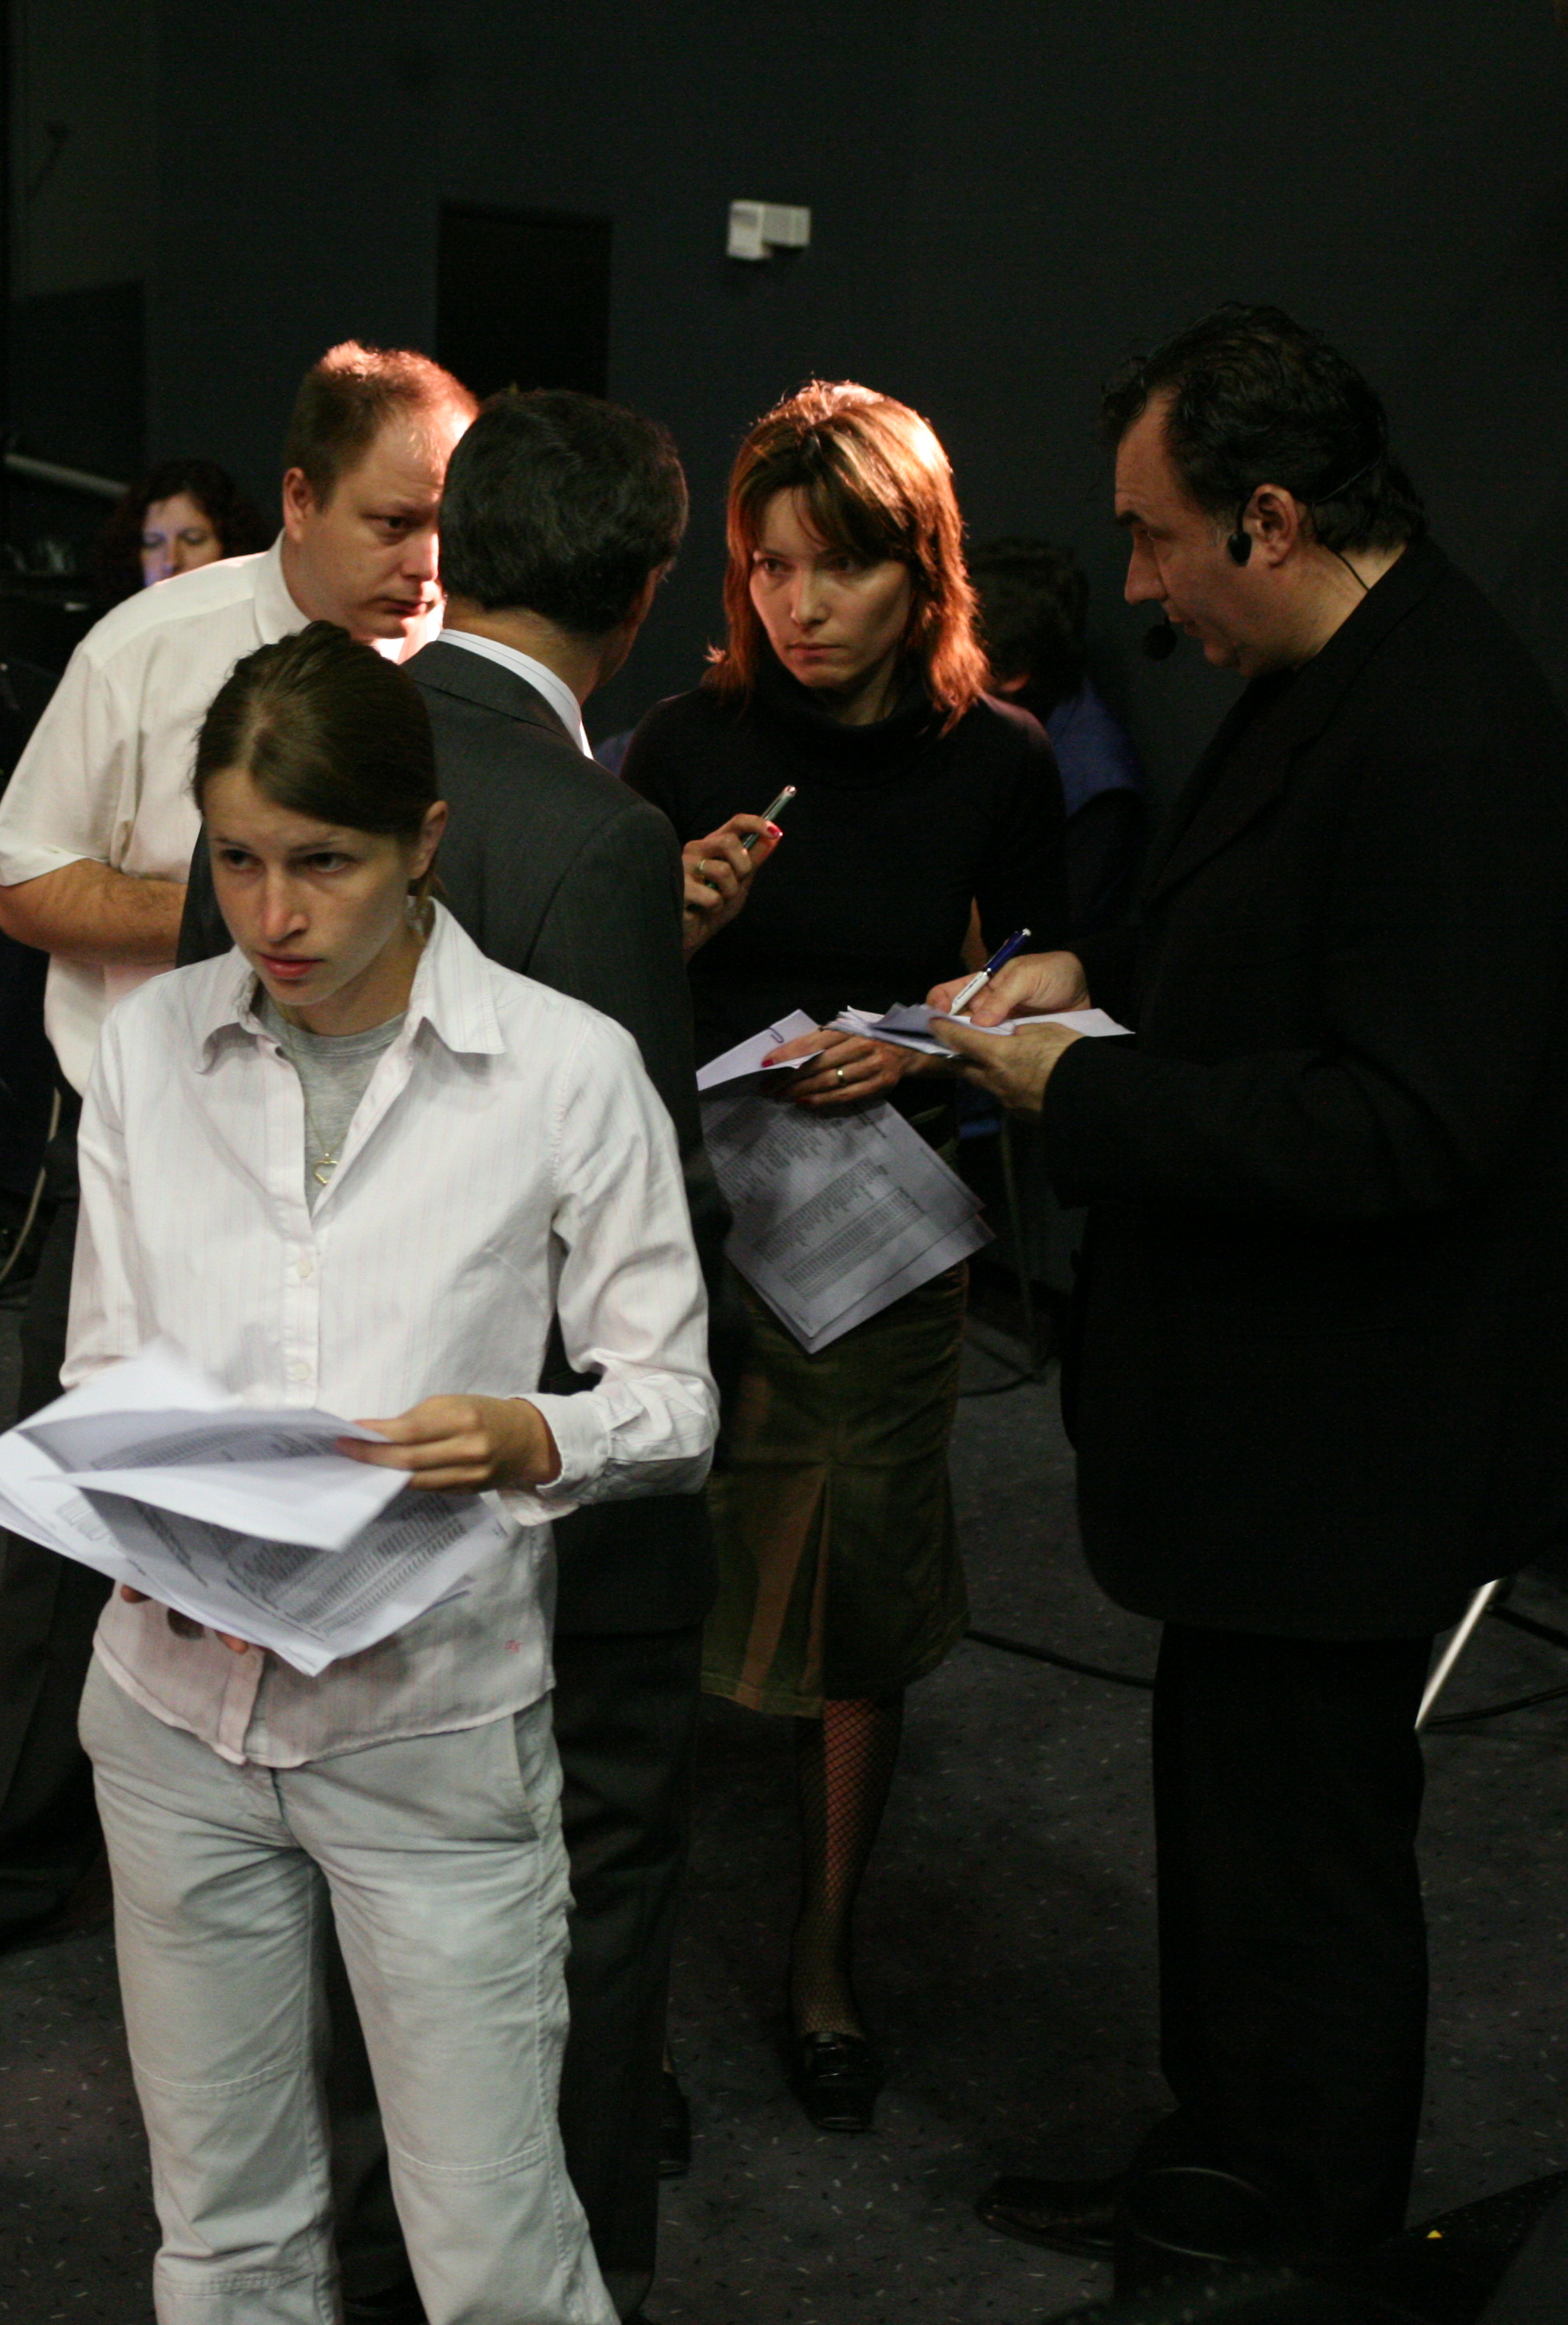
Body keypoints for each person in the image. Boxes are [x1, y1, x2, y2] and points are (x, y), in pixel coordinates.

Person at [940, 304, 1568, 2260]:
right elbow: (1270, 949)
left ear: (1274, 518)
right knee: (1237, 1833)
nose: (1137, 587)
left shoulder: (1452, 728)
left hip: (1353, 1438)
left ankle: (1301, 2238)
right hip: (1271, 1429)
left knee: (1305, 1864)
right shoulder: (1337, 673)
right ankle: (1220, 2173)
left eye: (1156, 537)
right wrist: (1102, 969)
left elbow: (1410, 1123)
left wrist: (1088, 1090)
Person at [77, 621, 715, 2325]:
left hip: (429, 1729)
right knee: (223, 2232)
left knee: (493, 2255)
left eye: (321, 862)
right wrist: (137, 1513)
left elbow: (677, 1399)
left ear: (423, 840)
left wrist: (536, 1434)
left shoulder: (563, 1069)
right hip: (169, 1720)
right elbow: (100, 1367)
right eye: (234, 861)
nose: (271, 914)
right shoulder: (146, 1049)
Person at [0, 343, 477, 2004]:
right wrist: (239, 910)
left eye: (447, 525)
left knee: (364, 1526)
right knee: (90, 1528)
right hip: (155, 1166)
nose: (425, 562)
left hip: (385, 1171)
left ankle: (335, 1893)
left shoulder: (463, 673)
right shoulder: (149, 648)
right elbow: (20, 883)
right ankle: (7, 1869)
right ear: (297, 501)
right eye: (393, 523)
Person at [616, 379, 1064, 2135]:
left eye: (841, 568)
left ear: (921, 571)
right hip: (687, 1216)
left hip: (875, 1228)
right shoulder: (688, 744)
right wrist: (668, 921)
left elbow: (1045, 975)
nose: (798, 606)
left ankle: (822, 1957)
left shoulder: (998, 759)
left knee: (858, 1596)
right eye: (767, 566)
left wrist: (933, 1037)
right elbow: (571, 1013)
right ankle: (629, 1993)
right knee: (645, 1581)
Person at [968, 535, 1150, 937]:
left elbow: (1036, 945)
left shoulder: (1095, 789)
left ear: (1012, 674)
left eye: (952, 652)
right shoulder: (1018, 717)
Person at [94, 456, 271, 600]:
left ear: (230, 545)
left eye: (193, 540)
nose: (171, 562)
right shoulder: (116, 628)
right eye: (153, 543)